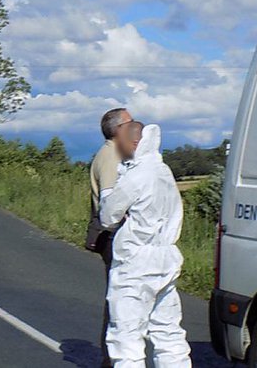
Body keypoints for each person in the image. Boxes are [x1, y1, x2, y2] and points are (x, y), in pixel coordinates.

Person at [100, 122, 191, 368]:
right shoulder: (164, 172)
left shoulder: (136, 175)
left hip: (136, 260)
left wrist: (108, 196)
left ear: (133, 143)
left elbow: (108, 217)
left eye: (118, 141)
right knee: (168, 332)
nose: (116, 147)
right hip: (166, 257)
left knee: (126, 335)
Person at [87, 107, 132, 367]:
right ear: (118, 130)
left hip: (115, 237)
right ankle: (112, 359)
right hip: (115, 237)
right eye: (130, 122)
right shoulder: (111, 157)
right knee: (119, 299)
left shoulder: (112, 153)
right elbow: (109, 202)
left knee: (120, 298)